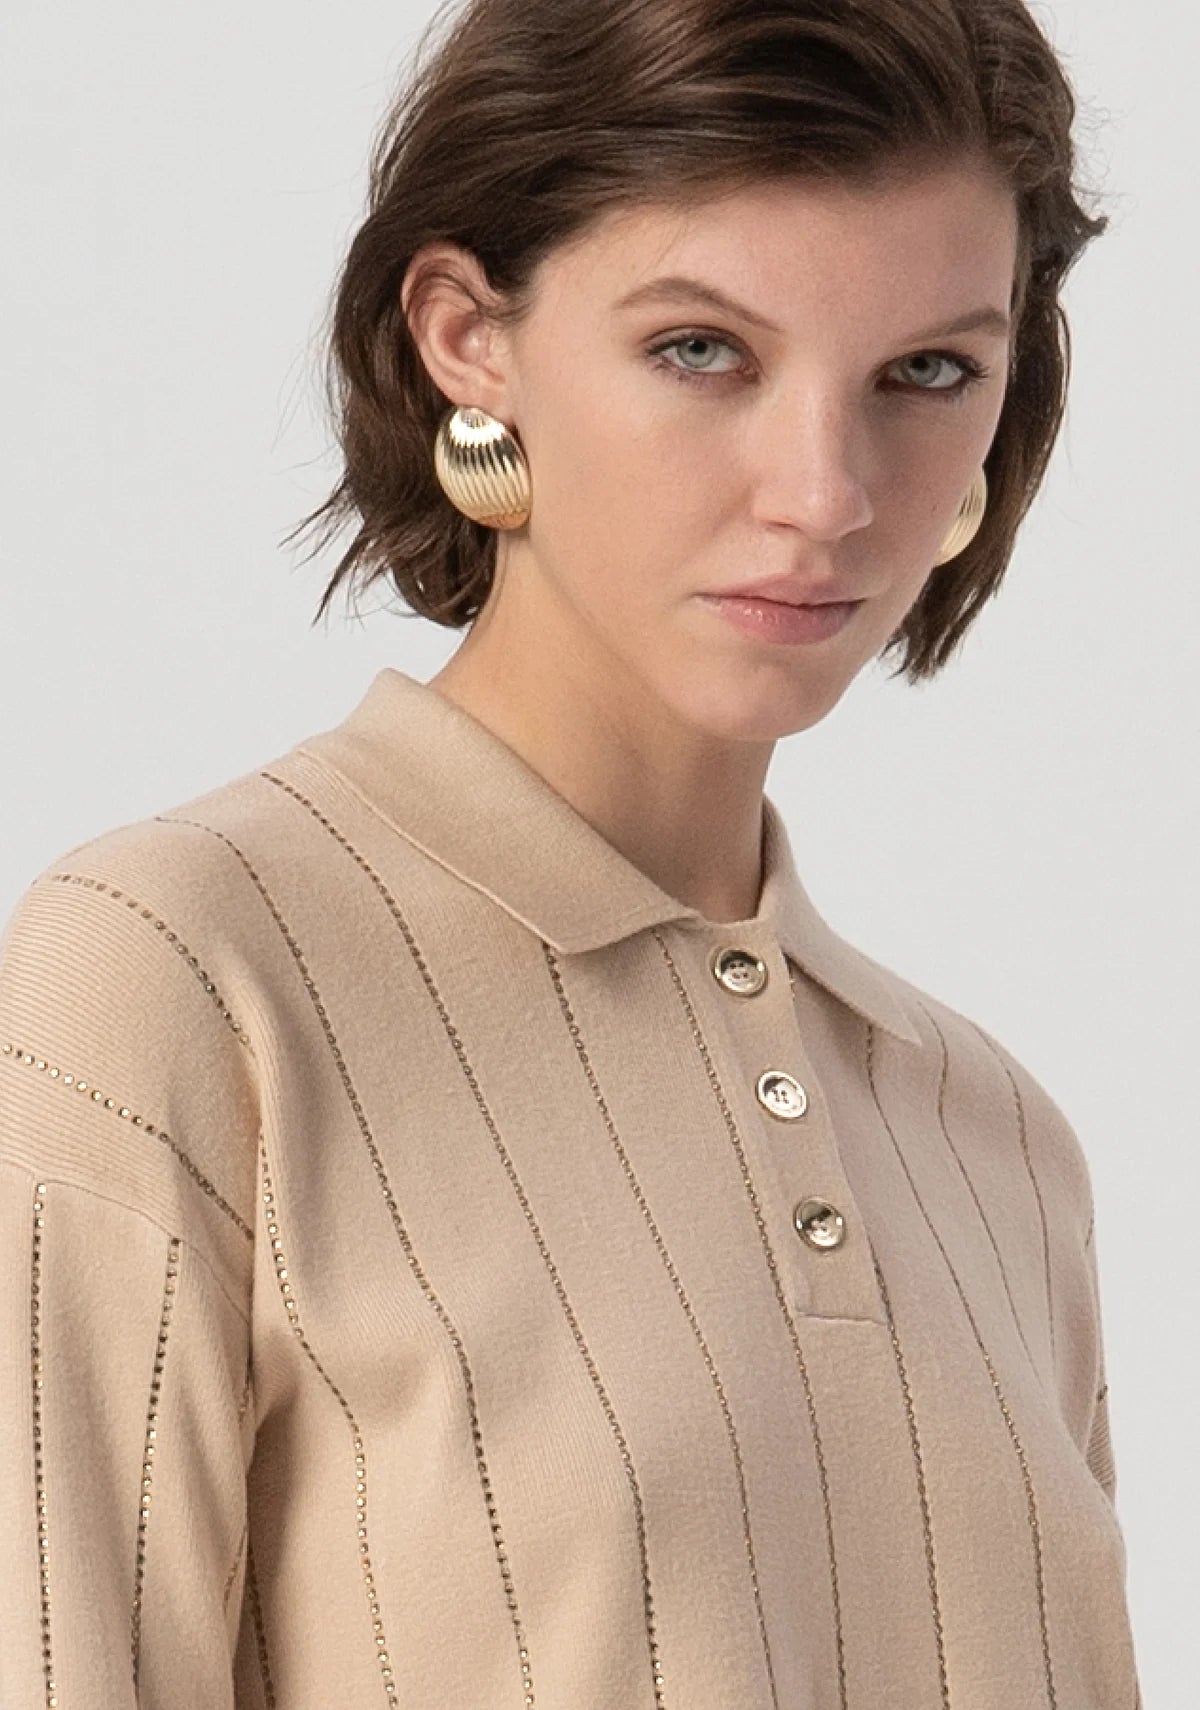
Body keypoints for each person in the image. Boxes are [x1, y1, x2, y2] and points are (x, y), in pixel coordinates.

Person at [0, 0, 1143, 1705]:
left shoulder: (995, 1140)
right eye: (703, 350)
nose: (825, 492)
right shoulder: (180, 975)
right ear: (469, 337)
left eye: (925, 371)